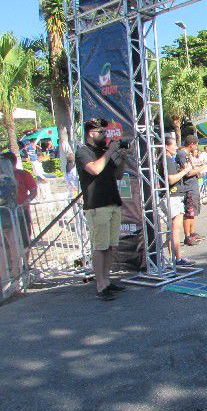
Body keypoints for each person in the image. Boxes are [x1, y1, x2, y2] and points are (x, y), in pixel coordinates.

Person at [75, 118, 129, 301]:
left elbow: (118, 174)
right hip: (97, 204)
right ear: (92, 133)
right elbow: (95, 169)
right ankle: (100, 285)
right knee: (100, 246)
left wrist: (122, 158)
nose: (105, 136)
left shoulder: (104, 151)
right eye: (102, 132)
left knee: (110, 245)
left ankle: (107, 279)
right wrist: (111, 152)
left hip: (113, 201)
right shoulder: (83, 151)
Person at [161, 137, 196, 267]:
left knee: (171, 230)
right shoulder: (168, 160)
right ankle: (178, 258)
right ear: (166, 147)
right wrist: (185, 171)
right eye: (174, 145)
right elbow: (171, 179)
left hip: (170, 196)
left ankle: (172, 258)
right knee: (175, 230)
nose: (177, 147)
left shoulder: (165, 160)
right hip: (173, 197)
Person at [2, 152, 38, 249]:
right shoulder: (0, 177)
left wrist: (28, 200)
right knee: (7, 242)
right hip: (5, 213)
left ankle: (25, 263)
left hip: (21, 211)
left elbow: (34, 191)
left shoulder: (23, 174)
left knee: (25, 239)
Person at [177, 135, 207, 247]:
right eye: (196, 144)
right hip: (188, 187)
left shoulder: (187, 155)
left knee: (193, 212)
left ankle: (192, 232)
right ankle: (187, 236)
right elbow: (188, 172)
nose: (196, 147)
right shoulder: (182, 154)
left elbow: (191, 169)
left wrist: (197, 170)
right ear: (191, 144)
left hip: (193, 186)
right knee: (189, 213)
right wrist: (202, 168)